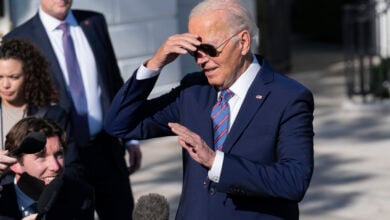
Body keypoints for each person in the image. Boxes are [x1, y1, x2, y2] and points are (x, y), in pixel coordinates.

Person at [104, 0, 315, 219]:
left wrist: (216, 162)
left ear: (243, 42)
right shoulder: (194, 91)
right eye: (195, 52)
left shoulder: (288, 97)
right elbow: (119, 124)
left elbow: (293, 181)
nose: (201, 60)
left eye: (209, 49)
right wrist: (155, 64)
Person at [4, 0, 141, 219]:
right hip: (58, 159)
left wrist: (131, 137)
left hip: (106, 149)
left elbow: (114, 82)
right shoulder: (19, 38)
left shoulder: (94, 22)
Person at [0, 39, 77, 178]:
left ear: (28, 76)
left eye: (13, 77)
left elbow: (72, 166)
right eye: (0, 77)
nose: (5, 84)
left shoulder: (52, 115)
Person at [0, 117, 94, 220]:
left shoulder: (80, 196)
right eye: (41, 156)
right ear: (14, 163)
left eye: (59, 154)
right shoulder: (2, 198)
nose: (56, 166)